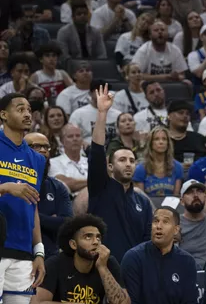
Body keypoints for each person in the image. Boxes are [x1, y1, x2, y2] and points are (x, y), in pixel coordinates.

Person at [0, 93, 47, 304]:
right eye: (20, 109)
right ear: (3, 115)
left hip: (20, 252)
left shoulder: (36, 159)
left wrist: (40, 250)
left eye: (29, 110)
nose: (27, 113)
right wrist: (6, 187)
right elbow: (15, 192)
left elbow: (34, 210)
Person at [88, 85, 153, 267]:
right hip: (101, 267)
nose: (128, 164)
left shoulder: (143, 202)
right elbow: (97, 152)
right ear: (109, 166)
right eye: (122, 160)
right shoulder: (100, 187)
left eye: (132, 161)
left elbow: (148, 240)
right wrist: (102, 114)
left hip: (135, 270)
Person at [23, 132, 72, 258]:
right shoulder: (12, 182)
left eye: (46, 147)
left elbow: (67, 224)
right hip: (19, 254)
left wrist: (33, 216)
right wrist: (51, 219)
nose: (43, 150)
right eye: (36, 146)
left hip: (51, 256)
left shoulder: (57, 187)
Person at [132, 127, 183, 198]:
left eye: (164, 139)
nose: (161, 142)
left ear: (168, 143)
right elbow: (141, 199)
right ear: (151, 143)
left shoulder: (178, 167)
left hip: (171, 207)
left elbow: (175, 198)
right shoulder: (140, 169)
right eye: (156, 139)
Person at [49, 124, 88, 194]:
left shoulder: (90, 162)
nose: (75, 139)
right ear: (62, 141)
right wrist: (95, 181)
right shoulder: (53, 163)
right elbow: (66, 183)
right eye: (70, 136)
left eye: (78, 136)